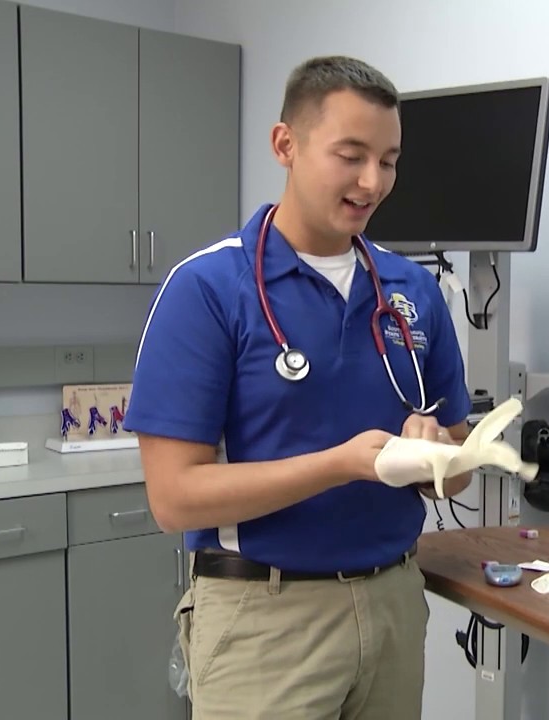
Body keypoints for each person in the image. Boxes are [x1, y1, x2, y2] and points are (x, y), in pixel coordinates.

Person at [124, 56, 473, 719]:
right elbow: (173, 498)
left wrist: (438, 456)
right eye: (352, 155)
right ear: (285, 144)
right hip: (265, 617)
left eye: (390, 160)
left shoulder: (410, 292)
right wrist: (342, 465)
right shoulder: (208, 290)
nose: (373, 182)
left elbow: (455, 469)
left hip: (395, 604)